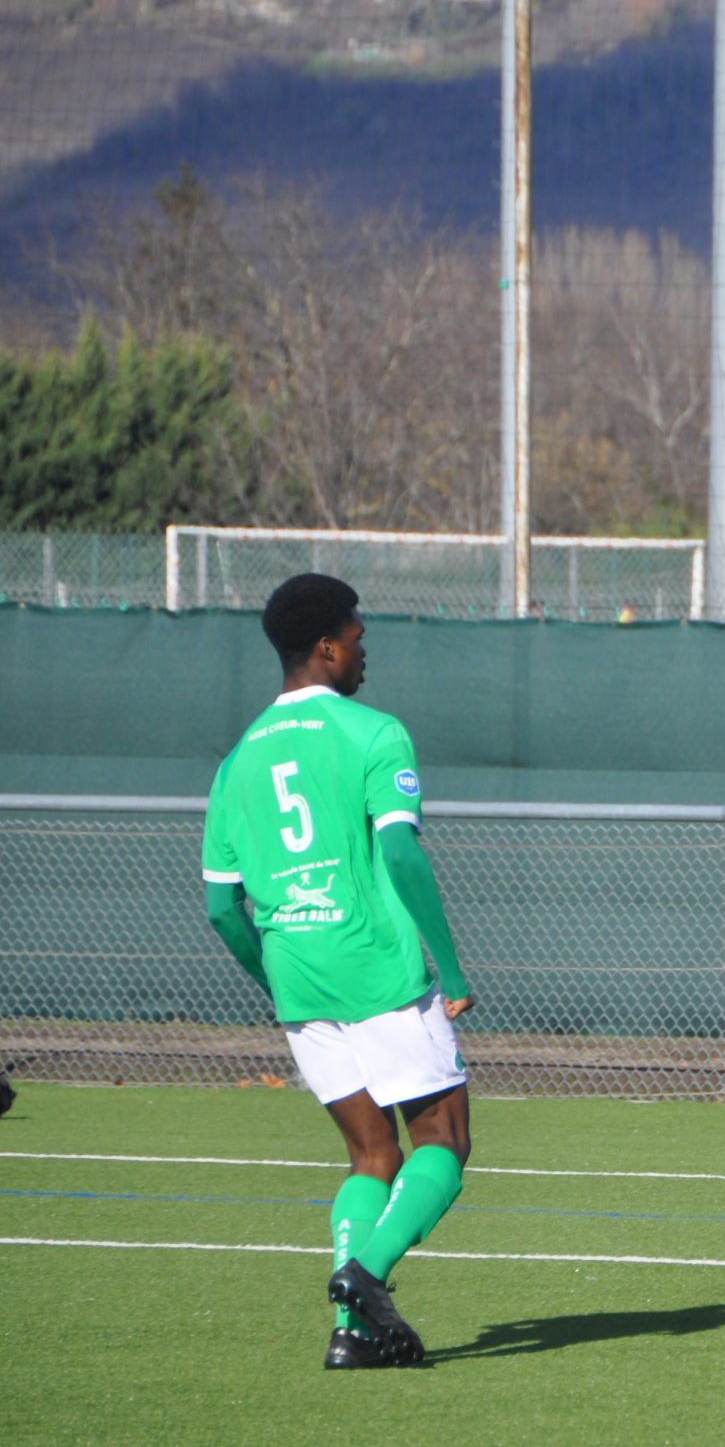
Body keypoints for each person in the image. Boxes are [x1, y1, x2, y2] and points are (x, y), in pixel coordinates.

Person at [200, 574, 476, 1369]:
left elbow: (222, 908)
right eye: (358, 638)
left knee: (370, 1156)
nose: (365, 653)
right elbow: (397, 850)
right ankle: (365, 1273)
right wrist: (451, 969)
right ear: (327, 647)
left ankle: (355, 1333)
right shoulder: (373, 732)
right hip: (378, 971)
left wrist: (277, 984)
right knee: (443, 1138)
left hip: (298, 980)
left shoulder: (236, 763)